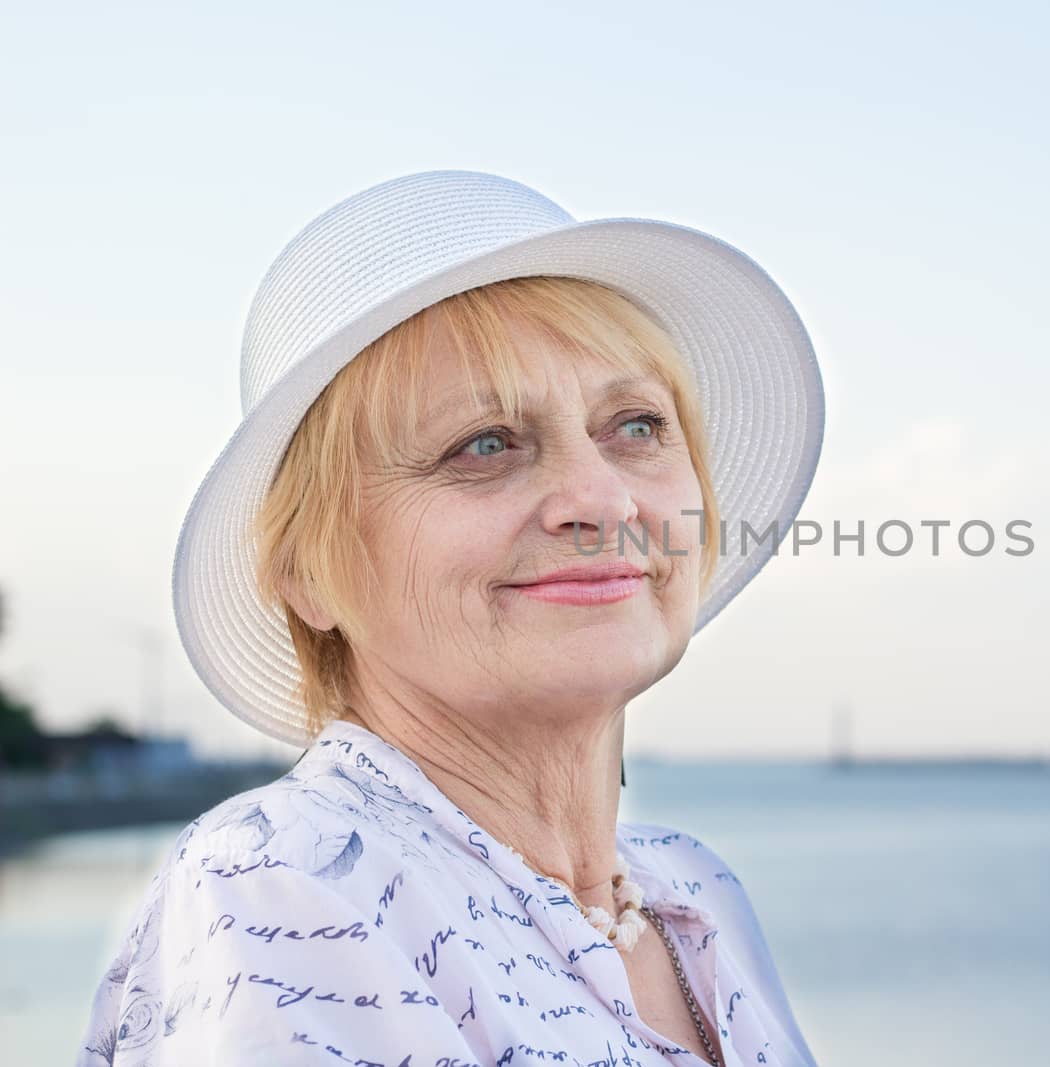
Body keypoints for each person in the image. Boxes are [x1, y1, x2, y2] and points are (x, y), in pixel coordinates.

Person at [76, 170, 826, 1066]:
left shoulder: (693, 889)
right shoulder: (284, 881)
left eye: (635, 425)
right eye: (485, 445)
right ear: (309, 573)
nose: (601, 497)